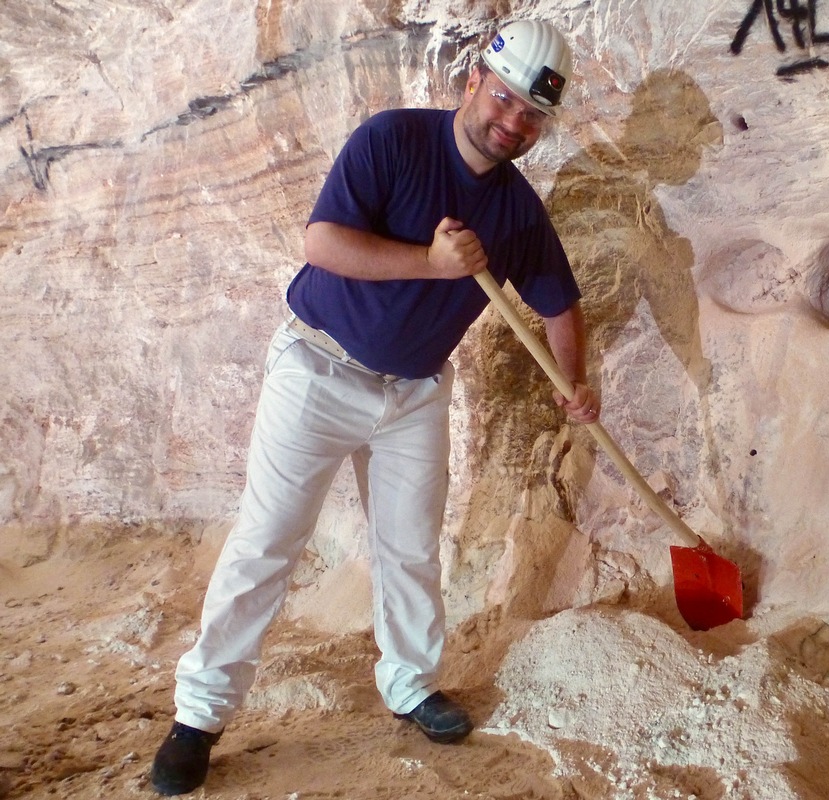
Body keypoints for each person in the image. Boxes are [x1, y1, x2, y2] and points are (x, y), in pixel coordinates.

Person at [149, 19, 600, 796]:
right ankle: (199, 715)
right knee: (266, 541)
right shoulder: (392, 140)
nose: (513, 123)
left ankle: (411, 685)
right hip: (319, 368)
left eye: (532, 114)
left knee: (410, 550)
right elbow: (322, 242)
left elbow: (559, 305)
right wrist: (430, 262)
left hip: (415, 393)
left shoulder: (520, 212)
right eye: (504, 100)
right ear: (473, 83)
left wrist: (574, 381)